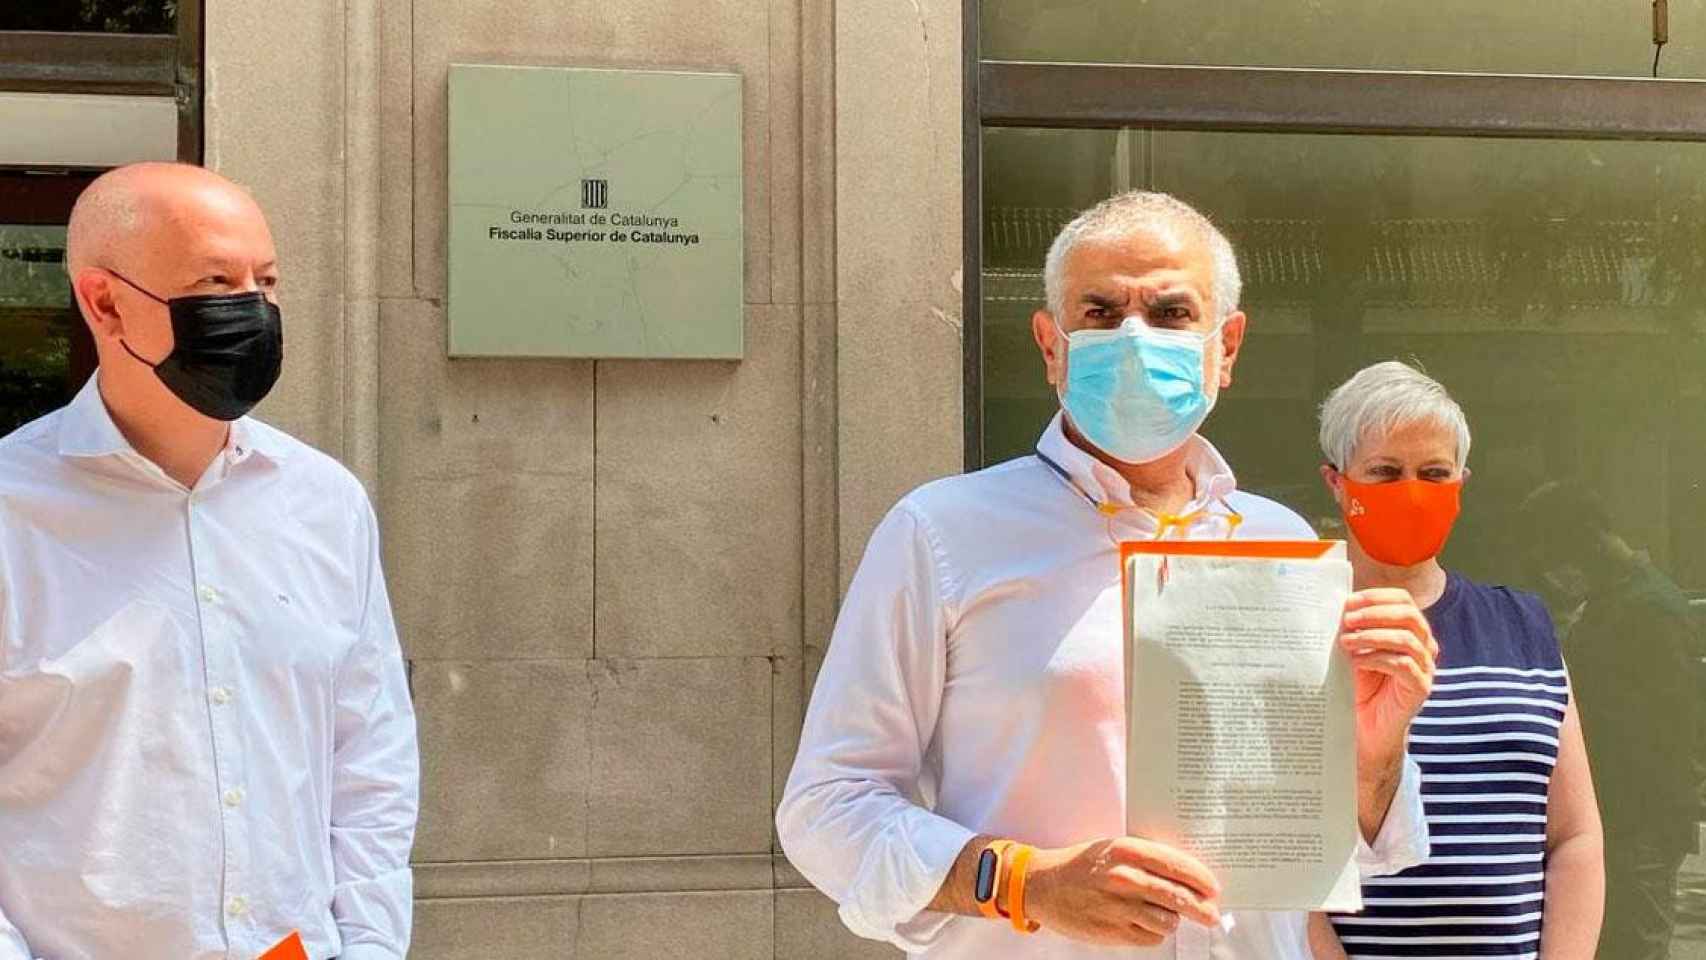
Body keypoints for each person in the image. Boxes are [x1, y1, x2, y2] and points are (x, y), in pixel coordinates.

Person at [777, 191, 1439, 958]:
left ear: (1225, 348)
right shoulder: (942, 534)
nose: (1133, 338)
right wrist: (1025, 882)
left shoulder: (1279, 542)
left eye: (1169, 312)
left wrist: (1373, 753)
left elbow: (1338, 852)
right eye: (1099, 312)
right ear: (1051, 346)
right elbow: (828, 807)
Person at [0, 162, 419, 960]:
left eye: (266, 282)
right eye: (216, 283)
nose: (252, 313)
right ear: (105, 302)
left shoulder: (324, 505)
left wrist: (367, 945)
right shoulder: (11, 514)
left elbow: (369, 755)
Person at [1301, 362, 1602, 960]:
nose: (1411, 490)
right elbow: (1269, 859)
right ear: (1336, 482)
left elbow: (1574, 835)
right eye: (1384, 472)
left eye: (1433, 473)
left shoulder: (1524, 626)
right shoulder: (1295, 628)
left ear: (1461, 484)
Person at [1518, 480, 1698, 960]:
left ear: (1586, 540)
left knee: (1631, 945)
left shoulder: (1648, 609)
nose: (1554, 571)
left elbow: (1665, 734)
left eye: (1554, 552)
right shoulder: (1612, 601)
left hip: (1637, 828)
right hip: (1618, 821)